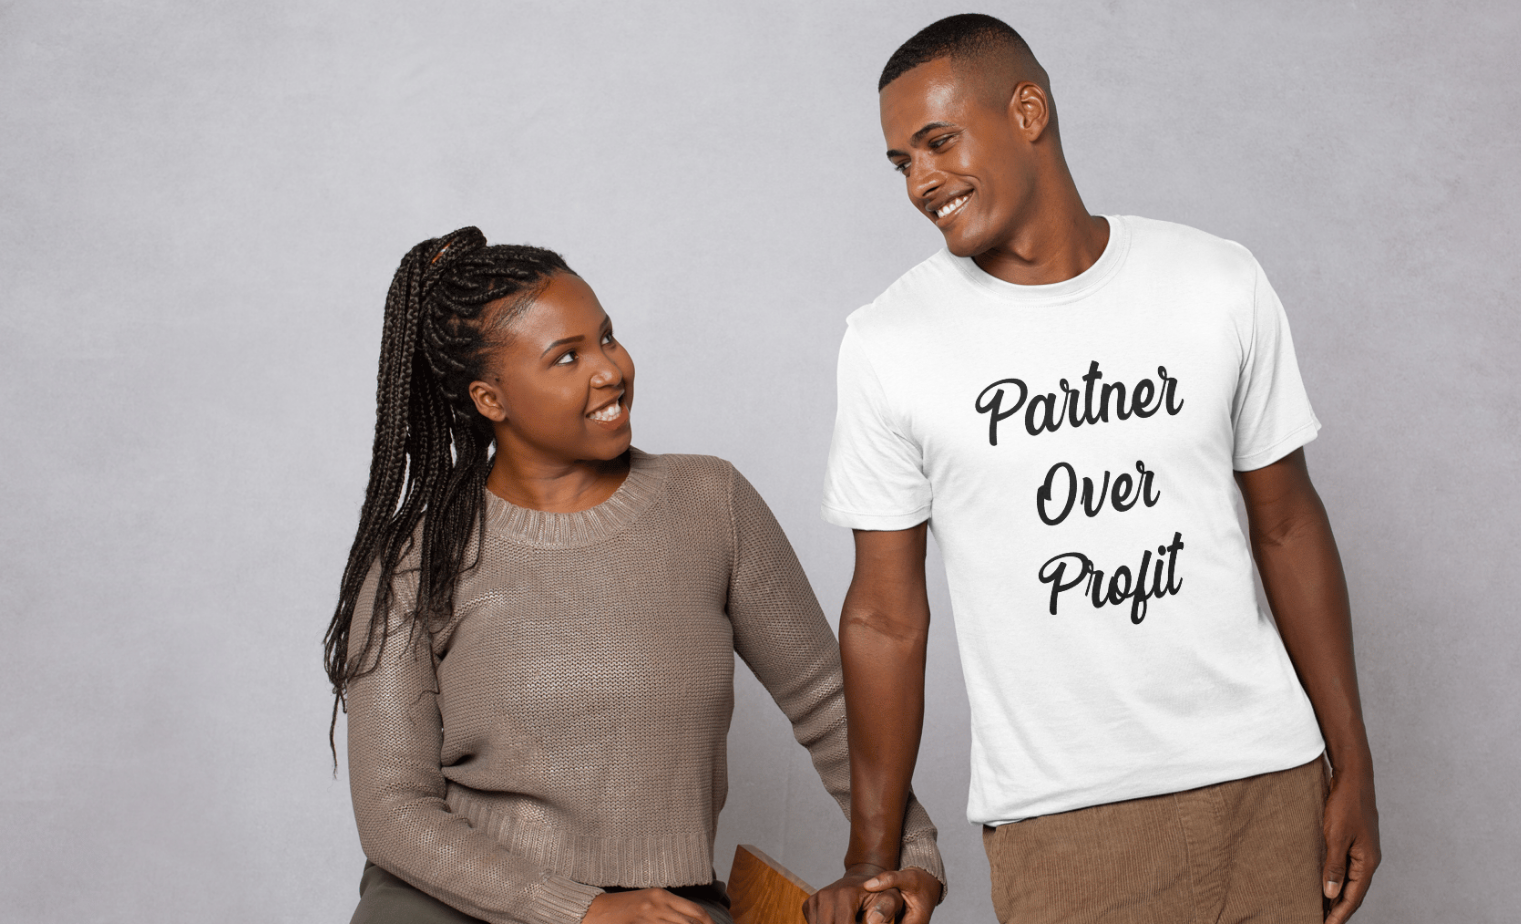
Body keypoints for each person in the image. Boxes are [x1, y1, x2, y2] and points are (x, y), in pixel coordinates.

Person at [809, 14, 1380, 924]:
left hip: (1267, 789)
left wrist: (1350, 763)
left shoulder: (1215, 283)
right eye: (900, 163)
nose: (921, 182)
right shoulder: (890, 343)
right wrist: (872, 860)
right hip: (1063, 825)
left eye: (937, 142)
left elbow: (1286, 522)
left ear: (1027, 109)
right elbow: (885, 614)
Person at [323, 227, 945, 924]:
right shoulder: (417, 554)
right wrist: (579, 910)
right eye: (566, 358)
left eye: (607, 337)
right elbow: (391, 808)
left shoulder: (711, 503)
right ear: (490, 399)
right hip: (454, 906)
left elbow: (831, 702)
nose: (610, 369)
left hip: (665, 910)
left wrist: (908, 856)